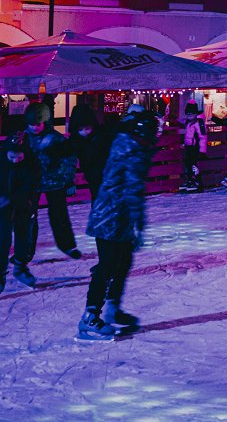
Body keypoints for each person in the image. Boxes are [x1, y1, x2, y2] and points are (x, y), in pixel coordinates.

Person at [78, 103, 157, 341]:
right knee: (108, 265)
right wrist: (140, 225)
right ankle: (90, 317)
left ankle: (112, 308)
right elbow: (134, 190)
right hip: (111, 216)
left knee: (122, 261)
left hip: (114, 214)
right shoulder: (132, 150)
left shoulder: (124, 143)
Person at [0, 132, 42, 297]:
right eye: (12, 156)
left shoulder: (32, 165)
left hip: (24, 205)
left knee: (23, 238)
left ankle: (20, 267)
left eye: (19, 157)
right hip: (4, 207)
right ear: (6, 152)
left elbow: (30, 187)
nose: (15, 160)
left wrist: (10, 197)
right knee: (3, 240)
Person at [23, 102, 81, 260]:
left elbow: (69, 159)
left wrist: (69, 180)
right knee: (28, 217)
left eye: (37, 124)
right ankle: (26, 250)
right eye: (31, 124)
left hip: (54, 182)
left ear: (45, 121)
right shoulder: (23, 138)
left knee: (59, 215)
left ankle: (67, 245)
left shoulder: (56, 138)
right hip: (31, 184)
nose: (34, 128)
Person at [65, 102, 109, 201]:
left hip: (104, 175)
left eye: (87, 128)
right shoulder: (75, 141)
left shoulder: (99, 139)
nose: (85, 132)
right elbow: (69, 159)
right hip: (92, 176)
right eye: (81, 129)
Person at [180, 102, 208, 192]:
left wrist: (202, 151)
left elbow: (203, 137)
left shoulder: (198, 123)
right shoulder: (189, 122)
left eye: (191, 114)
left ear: (195, 114)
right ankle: (189, 180)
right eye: (188, 114)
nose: (189, 115)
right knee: (188, 164)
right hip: (189, 147)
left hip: (195, 147)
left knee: (194, 165)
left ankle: (196, 182)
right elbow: (181, 121)